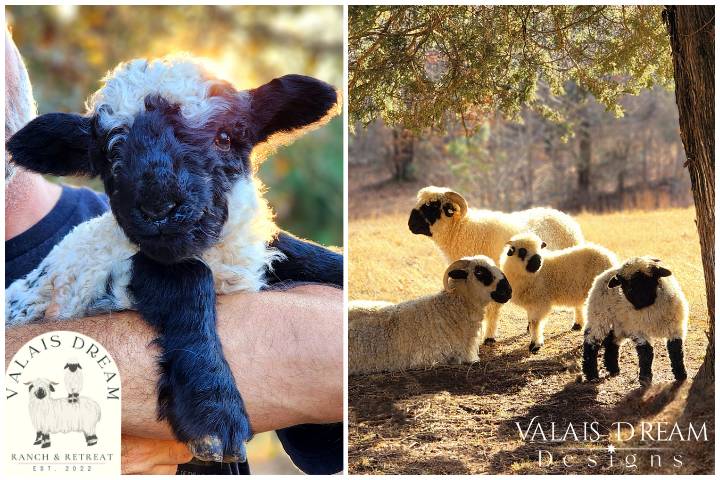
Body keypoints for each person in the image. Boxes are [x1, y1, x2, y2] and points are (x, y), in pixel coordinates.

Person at [4, 29, 343, 475]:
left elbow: (333, 357)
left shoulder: (255, 245)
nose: (160, 199)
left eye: (219, 137)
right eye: (116, 152)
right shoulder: (98, 254)